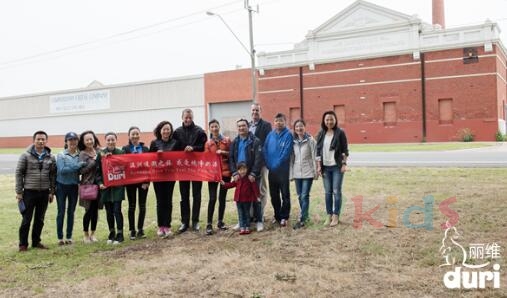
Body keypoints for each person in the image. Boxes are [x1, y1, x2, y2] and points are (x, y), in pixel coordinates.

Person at [15, 130, 56, 252]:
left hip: (44, 192)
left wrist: (51, 192)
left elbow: (53, 175)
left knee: (40, 219)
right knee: (26, 219)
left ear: (46, 141)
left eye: (43, 139)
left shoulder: (51, 157)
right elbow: (19, 173)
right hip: (29, 192)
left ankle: (36, 241)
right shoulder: (25, 155)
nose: (41, 141)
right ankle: (23, 244)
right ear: (34, 140)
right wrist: (19, 192)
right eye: (38, 139)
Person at [173, 108, 207, 233]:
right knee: (184, 196)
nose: (188, 119)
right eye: (186, 117)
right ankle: (184, 222)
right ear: (182, 118)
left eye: (190, 117)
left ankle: (195, 221)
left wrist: (193, 148)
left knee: (196, 195)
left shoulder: (200, 131)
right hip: (183, 169)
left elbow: (204, 148)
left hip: (196, 168)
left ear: (192, 118)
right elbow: (173, 148)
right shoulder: (176, 132)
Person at [315, 111, 349, 227]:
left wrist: (344, 164)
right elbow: (318, 151)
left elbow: (345, 150)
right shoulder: (321, 134)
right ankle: (328, 215)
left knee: (336, 191)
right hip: (325, 167)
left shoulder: (340, 133)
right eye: (327, 120)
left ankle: (336, 215)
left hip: (336, 167)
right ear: (324, 121)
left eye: (331, 119)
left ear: (335, 120)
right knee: (327, 192)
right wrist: (319, 166)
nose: (329, 121)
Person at [229, 118, 263, 231]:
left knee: (256, 199)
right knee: (241, 200)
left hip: (252, 176)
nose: (241, 128)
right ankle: (242, 222)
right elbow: (231, 159)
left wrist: (253, 173)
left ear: (248, 127)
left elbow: (259, 159)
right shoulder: (234, 142)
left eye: (243, 126)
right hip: (240, 175)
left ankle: (259, 221)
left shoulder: (255, 141)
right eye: (239, 126)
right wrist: (234, 172)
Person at [149, 120, 179, 238]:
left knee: (168, 201)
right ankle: (160, 226)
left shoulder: (175, 143)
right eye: (164, 129)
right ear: (160, 131)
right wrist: (157, 156)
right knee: (160, 201)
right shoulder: (154, 143)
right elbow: (149, 160)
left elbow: (179, 159)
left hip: (170, 176)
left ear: (170, 131)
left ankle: (167, 226)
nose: (166, 131)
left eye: (168, 129)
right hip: (158, 176)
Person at [263, 113, 294, 227]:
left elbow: (286, 152)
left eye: (281, 121)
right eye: (276, 121)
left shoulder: (288, 135)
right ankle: (277, 215)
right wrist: (268, 163)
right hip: (271, 170)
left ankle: (284, 216)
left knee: (285, 194)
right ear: (274, 122)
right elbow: (265, 150)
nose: (278, 123)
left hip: (282, 171)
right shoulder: (270, 135)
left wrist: (276, 164)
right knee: (274, 195)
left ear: (285, 122)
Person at [55, 132, 84, 245]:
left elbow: (81, 170)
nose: (73, 142)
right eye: (70, 140)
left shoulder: (80, 155)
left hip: (73, 186)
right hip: (61, 186)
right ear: (66, 142)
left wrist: (79, 167)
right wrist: (78, 166)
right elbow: (62, 170)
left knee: (71, 212)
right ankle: (60, 237)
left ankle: (69, 236)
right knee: (61, 211)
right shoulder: (61, 155)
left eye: (75, 140)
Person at [204, 119, 231, 235]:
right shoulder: (208, 143)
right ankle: (209, 224)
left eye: (216, 126)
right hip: (213, 175)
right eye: (212, 127)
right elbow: (206, 159)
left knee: (222, 198)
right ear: (210, 129)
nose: (214, 128)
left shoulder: (227, 140)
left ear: (219, 127)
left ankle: (220, 221)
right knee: (212, 198)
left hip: (225, 173)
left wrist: (223, 153)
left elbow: (232, 154)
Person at [122, 126, 150, 240]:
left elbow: (150, 166)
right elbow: (120, 162)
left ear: (139, 135)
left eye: (136, 134)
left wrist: (147, 181)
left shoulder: (145, 149)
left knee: (142, 206)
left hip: (143, 181)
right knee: (132, 206)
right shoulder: (125, 148)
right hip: (130, 182)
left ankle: (140, 229)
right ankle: (132, 230)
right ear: (129, 136)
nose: (135, 136)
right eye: (132, 134)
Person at [97, 132, 125, 244]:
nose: (110, 142)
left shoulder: (121, 152)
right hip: (106, 187)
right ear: (105, 141)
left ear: (116, 140)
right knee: (109, 211)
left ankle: (120, 233)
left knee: (117, 210)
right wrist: (99, 183)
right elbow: (97, 171)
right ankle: (112, 232)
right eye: (108, 140)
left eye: (112, 139)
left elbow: (124, 167)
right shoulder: (101, 154)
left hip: (118, 187)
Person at [289, 120, 318, 229]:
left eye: (301, 126)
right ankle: (305, 216)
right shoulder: (293, 142)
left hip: (308, 172)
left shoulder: (311, 141)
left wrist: (315, 172)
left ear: (305, 127)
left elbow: (315, 156)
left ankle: (302, 219)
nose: (299, 128)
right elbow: (292, 159)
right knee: (300, 196)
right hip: (297, 172)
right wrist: (291, 174)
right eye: (297, 127)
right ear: (294, 129)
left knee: (305, 195)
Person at [221, 162, 260, 235]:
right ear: (238, 171)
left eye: (244, 169)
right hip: (238, 200)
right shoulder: (237, 178)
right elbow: (231, 185)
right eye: (240, 170)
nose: (242, 171)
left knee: (247, 214)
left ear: (247, 169)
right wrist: (224, 184)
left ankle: (247, 227)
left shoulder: (249, 178)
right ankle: (242, 227)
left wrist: (257, 196)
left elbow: (255, 188)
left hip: (247, 200)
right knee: (240, 214)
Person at [249, 103, 272, 221]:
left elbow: (268, 144)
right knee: (251, 188)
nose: (255, 113)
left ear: (260, 111)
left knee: (262, 189)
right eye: (253, 110)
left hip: (262, 162)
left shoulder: (266, 125)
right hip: (249, 163)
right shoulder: (247, 125)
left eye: (257, 110)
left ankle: (260, 214)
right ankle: (251, 214)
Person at [78, 130, 101, 243]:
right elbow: (81, 170)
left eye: (91, 139)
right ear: (83, 141)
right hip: (88, 185)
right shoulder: (82, 154)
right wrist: (93, 161)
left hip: (99, 185)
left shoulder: (99, 151)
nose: (89, 141)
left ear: (94, 139)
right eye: (86, 139)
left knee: (95, 211)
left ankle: (93, 233)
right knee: (88, 210)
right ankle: (86, 234)